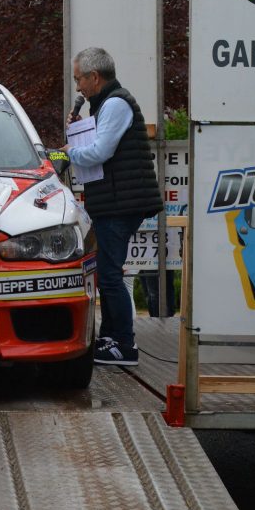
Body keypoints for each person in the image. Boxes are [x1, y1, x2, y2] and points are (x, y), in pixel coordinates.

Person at [64, 47, 162, 366]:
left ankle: (124, 344)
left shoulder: (116, 103)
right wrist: (76, 133)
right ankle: (110, 339)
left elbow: (100, 151)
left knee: (109, 275)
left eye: (79, 79)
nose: (77, 87)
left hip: (121, 204)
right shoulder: (106, 104)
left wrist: (67, 153)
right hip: (116, 201)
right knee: (107, 273)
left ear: (95, 77)